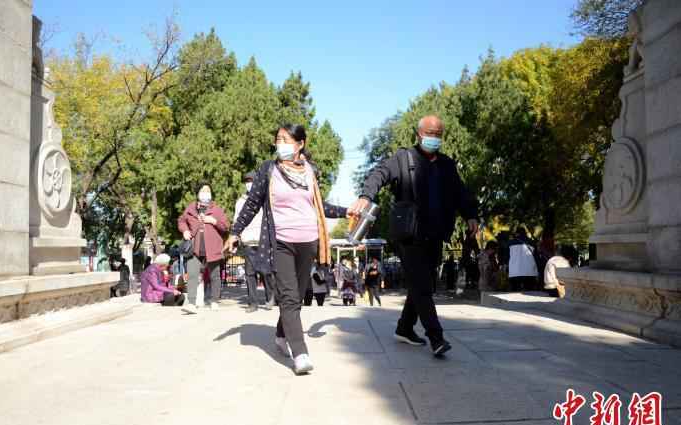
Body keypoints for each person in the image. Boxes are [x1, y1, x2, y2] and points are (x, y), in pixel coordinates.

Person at [223, 124, 348, 375]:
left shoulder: (311, 172)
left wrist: (347, 211)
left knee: (297, 296)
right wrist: (235, 231)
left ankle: (282, 335)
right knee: (289, 297)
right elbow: (252, 204)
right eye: (278, 139)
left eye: (286, 139)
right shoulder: (268, 170)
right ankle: (300, 353)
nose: (280, 144)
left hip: (309, 241)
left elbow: (319, 206)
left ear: (300, 143)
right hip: (279, 241)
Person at [350, 115, 478, 357]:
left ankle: (404, 327)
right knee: (423, 286)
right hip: (409, 234)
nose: (434, 137)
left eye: (439, 134)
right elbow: (380, 174)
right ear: (419, 134)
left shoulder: (447, 165)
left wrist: (471, 214)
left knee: (423, 284)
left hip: (436, 234)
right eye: (430, 133)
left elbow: (460, 193)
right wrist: (366, 196)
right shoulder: (403, 158)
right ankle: (436, 337)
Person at [178, 183, 230, 312]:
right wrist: (184, 231)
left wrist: (214, 221)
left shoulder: (217, 209)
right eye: (202, 190)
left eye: (207, 191)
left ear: (211, 194)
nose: (205, 193)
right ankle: (191, 302)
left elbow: (226, 227)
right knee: (192, 274)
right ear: (198, 193)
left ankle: (214, 301)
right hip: (194, 248)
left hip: (212, 248)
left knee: (214, 276)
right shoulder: (191, 208)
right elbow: (181, 220)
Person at [234, 171, 278, 312]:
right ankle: (253, 303)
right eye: (247, 181)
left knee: (266, 271)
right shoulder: (240, 201)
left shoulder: (265, 199)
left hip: (263, 240)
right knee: (250, 273)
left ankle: (270, 297)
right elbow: (237, 219)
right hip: (248, 241)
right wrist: (236, 235)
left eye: (252, 181)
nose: (249, 183)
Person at [508, 227, 538, 291]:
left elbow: (507, 257)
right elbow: (536, 257)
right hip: (530, 271)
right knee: (530, 292)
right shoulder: (532, 243)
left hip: (514, 271)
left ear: (517, 233)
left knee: (514, 292)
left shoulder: (510, 243)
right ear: (525, 233)